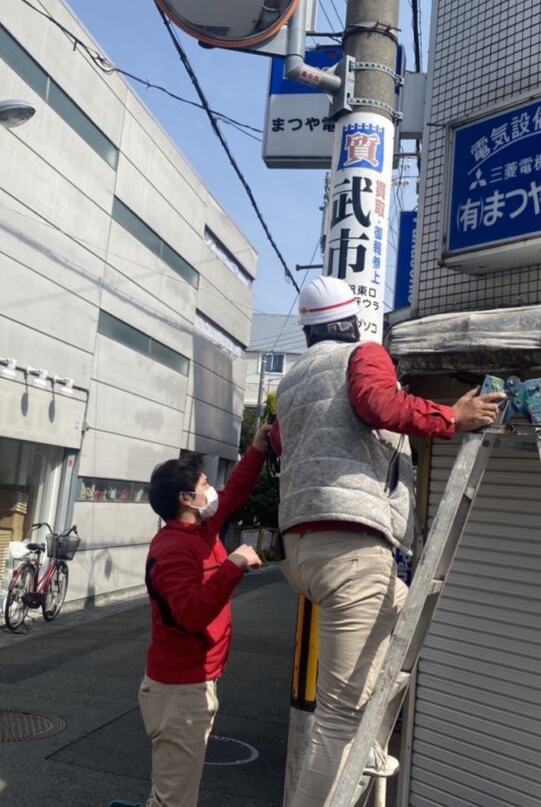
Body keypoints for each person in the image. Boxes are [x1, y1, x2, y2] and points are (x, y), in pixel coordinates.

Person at [274, 275, 505, 807]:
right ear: (352, 321)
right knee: (336, 717)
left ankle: (371, 746)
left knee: (404, 616)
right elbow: (377, 404)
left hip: (305, 552)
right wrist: (453, 416)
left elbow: (292, 445)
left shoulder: (291, 383)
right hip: (352, 549)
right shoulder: (364, 353)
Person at [110, 423, 270, 807]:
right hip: (178, 691)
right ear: (186, 498)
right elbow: (191, 615)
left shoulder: (200, 529)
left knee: (171, 794)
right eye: (203, 484)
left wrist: (258, 450)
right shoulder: (173, 550)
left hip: (195, 682)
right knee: (175, 801)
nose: (210, 489)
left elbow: (232, 496)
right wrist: (234, 563)